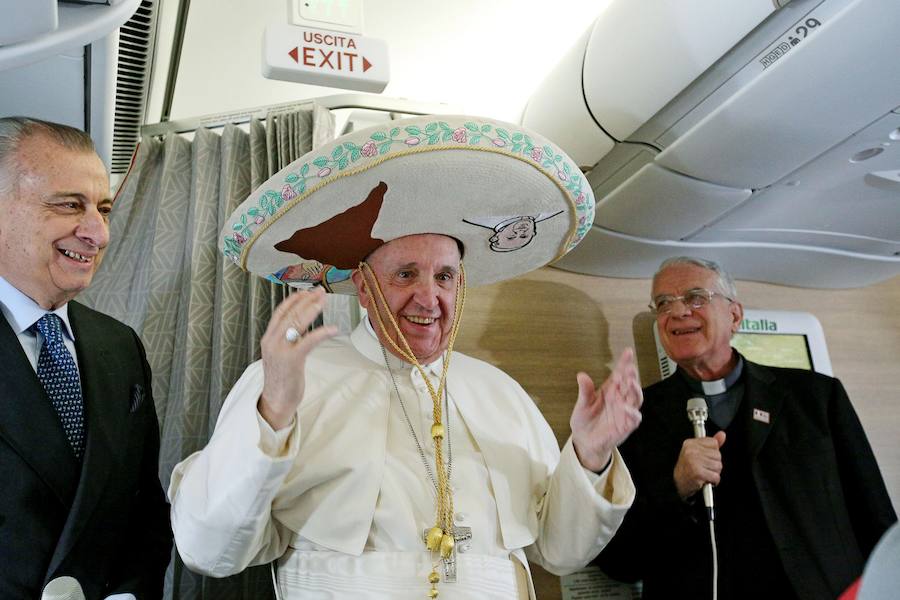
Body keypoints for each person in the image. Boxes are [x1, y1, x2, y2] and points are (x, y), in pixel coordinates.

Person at [168, 114, 641, 599]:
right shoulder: (289, 379)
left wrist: (590, 456)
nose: (428, 297)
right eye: (405, 274)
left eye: (444, 277)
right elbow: (209, 551)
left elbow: (559, 552)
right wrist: (271, 416)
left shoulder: (502, 392)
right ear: (363, 287)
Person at [593, 256, 897, 599]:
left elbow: (878, 523)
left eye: (695, 297)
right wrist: (677, 487)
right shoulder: (632, 418)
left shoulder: (816, 397)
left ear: (734, 316)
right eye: (663, 303)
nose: (677, 311)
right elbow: (618, 562)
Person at [0, 117, 172, 599]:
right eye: (70, 205)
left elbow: (143, 510)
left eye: (104, 209)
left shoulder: (119, 345)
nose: (98, 234)